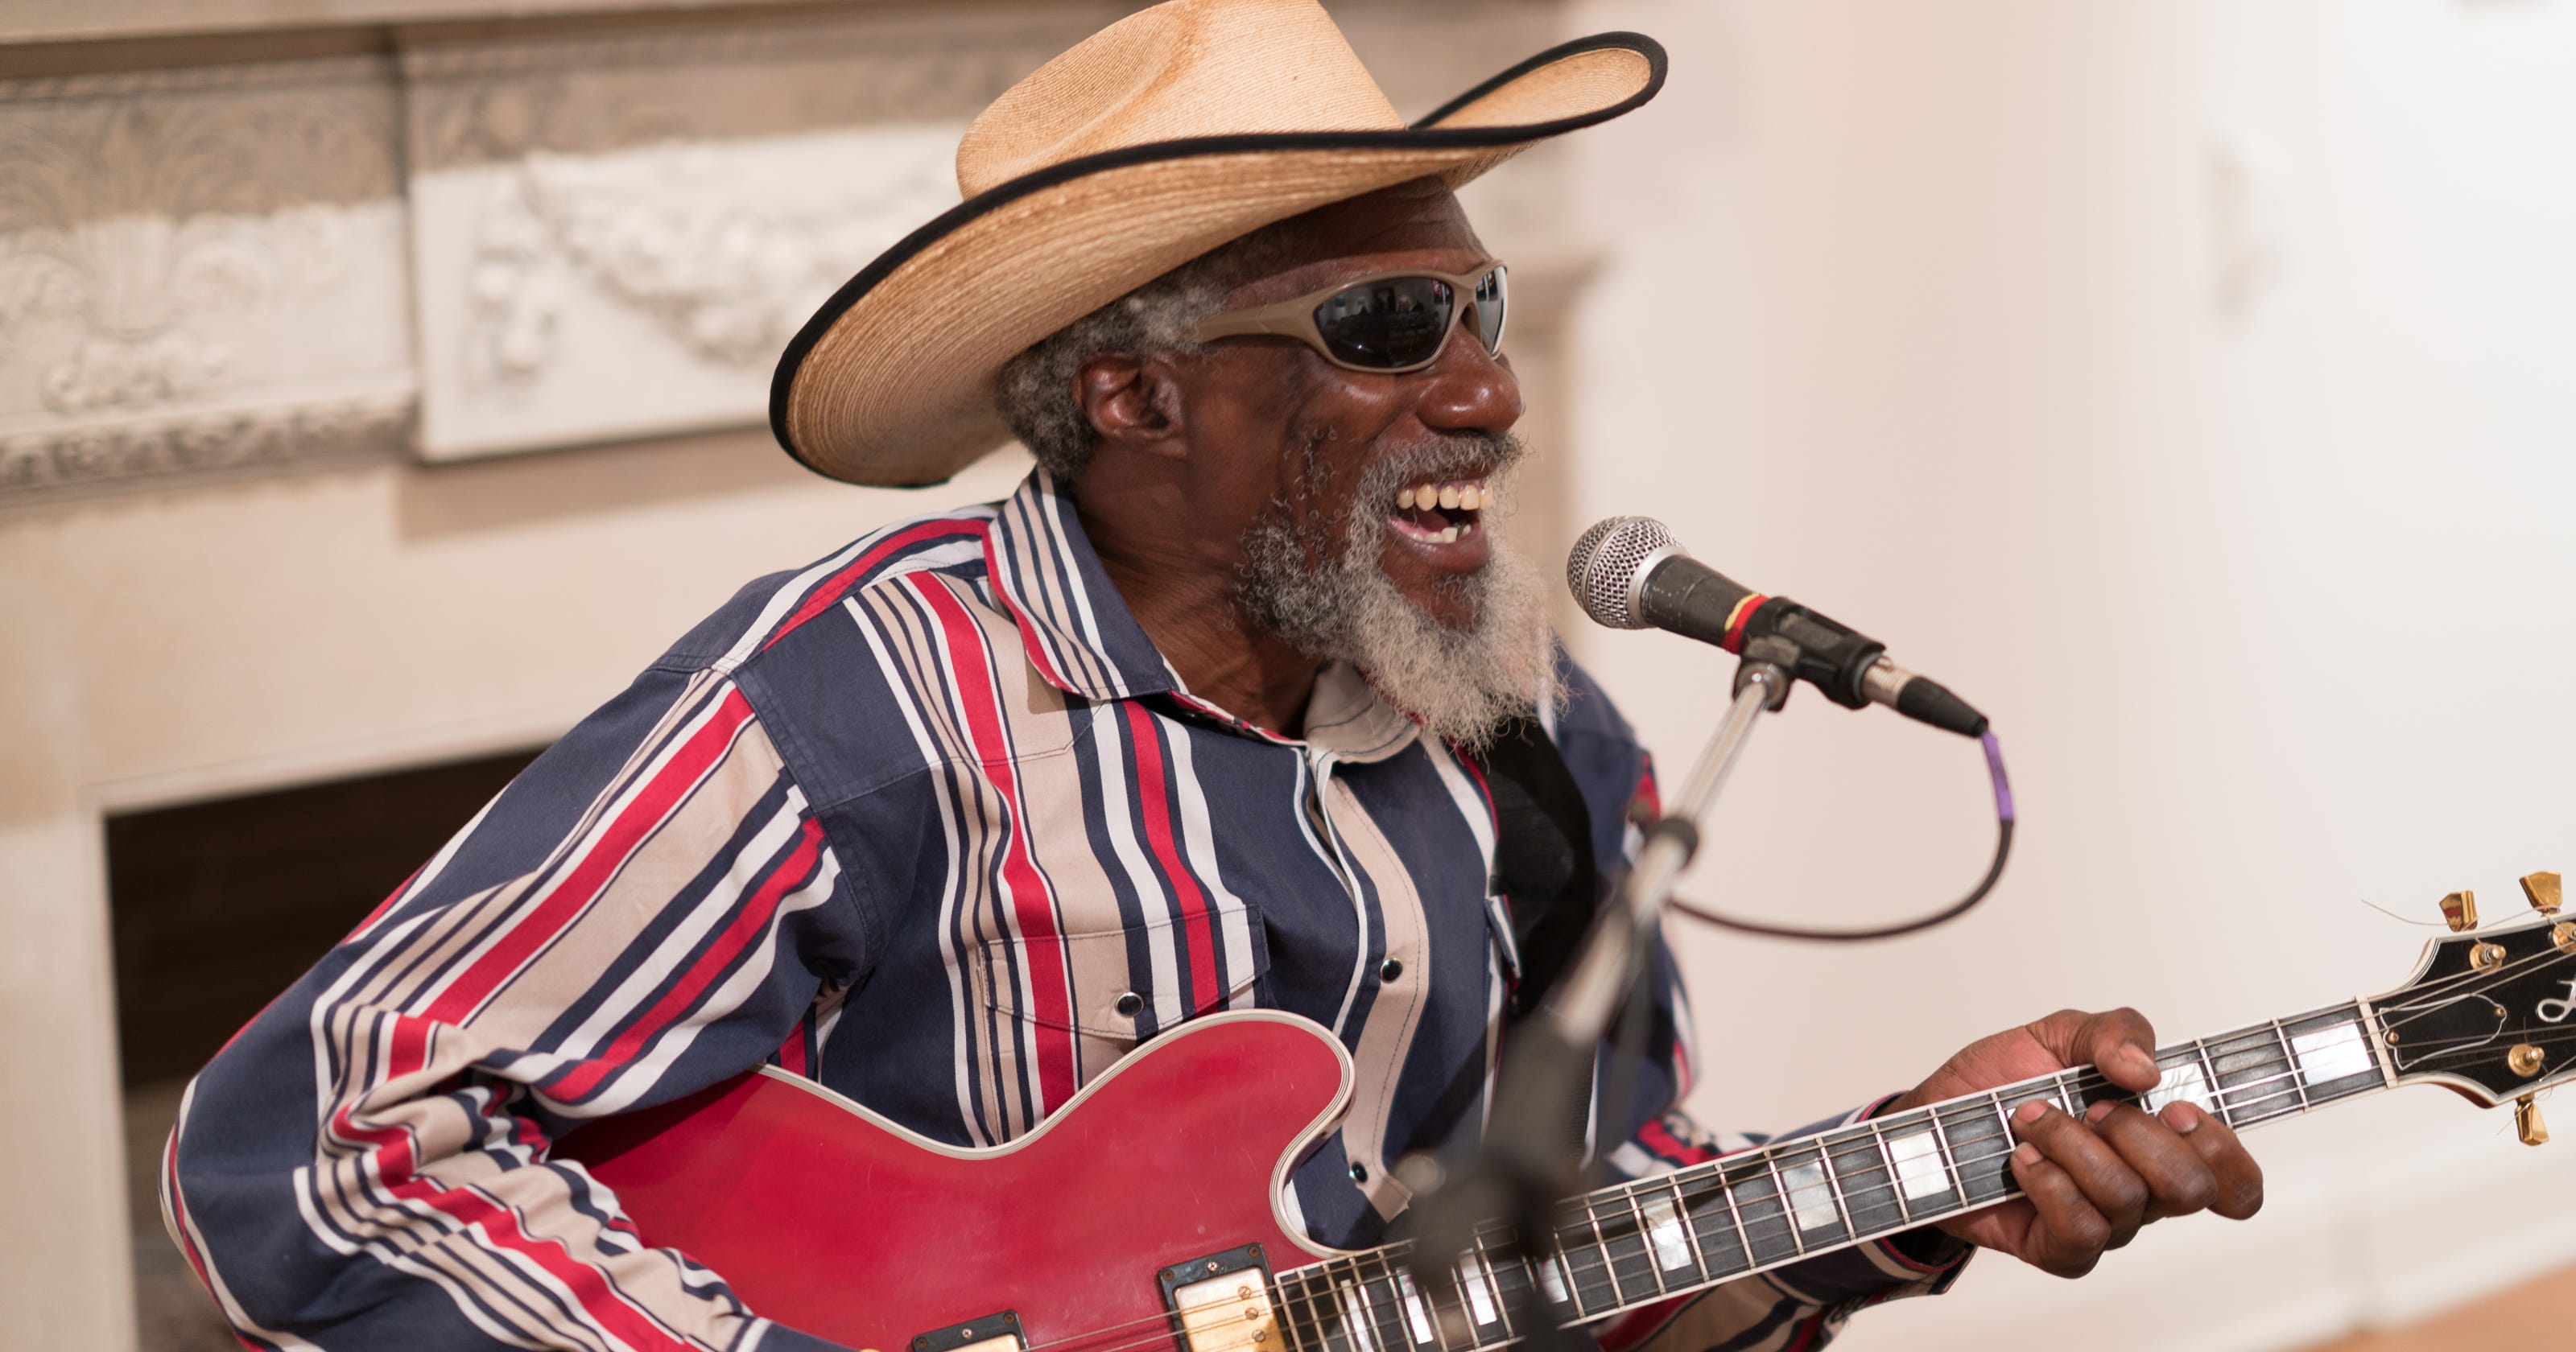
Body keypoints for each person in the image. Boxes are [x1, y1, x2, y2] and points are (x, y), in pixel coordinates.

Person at [164, 3, 2262, 1350]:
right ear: (1135, 397)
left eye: (1481, 310)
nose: (1491, 392)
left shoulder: (1533, 738)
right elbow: (323, 1144)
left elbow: (1572, 1263)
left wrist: (1904, 1185)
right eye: (1388, 329)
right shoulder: (862, 711)